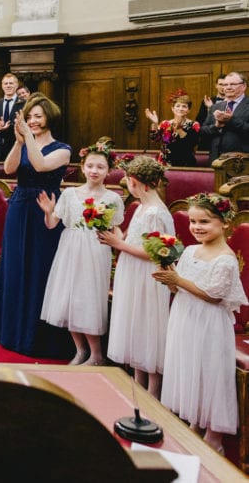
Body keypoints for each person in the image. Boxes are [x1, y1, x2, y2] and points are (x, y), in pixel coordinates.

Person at [153, 193, 248, 452]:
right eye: (193, 221)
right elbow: (181, 289)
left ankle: (214, 437)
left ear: (224, 223)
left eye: (204, 222)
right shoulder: (191, 250)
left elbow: (213, 295)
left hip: (209, 324)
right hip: (186, 317)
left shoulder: (225, 259)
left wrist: (177, 281)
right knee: (189, 369)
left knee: (210, 374)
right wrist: (170, 279)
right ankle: (194, 422)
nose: (196, 227)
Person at [0, 94, 72, 357]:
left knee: (40, 268)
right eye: (29, 117)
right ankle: (11, 332)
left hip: (45, 210)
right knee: (15, 266)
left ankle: (37, 338)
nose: (33, 121)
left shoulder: (63, 148)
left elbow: (40, 164)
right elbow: (8, 168)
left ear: (50, 117)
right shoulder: (25, 141)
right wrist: (18, 141)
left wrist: (29, 137)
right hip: (19, 207)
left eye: (38, 116)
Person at [38, 141, 124, 366]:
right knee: (70, 298)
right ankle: (80, 351)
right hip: (70, 246)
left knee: (89, 299)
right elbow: (52, 224)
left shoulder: (113, 198)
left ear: (108, 171)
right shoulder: (69, 193)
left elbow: (116, 229)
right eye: (90, 166)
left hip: (96, 249)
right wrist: (48, 212)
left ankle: (96, 355)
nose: (94, 171)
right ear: (83, 167)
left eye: (100, 167)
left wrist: (121, 244)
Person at [98, 156, 172, 398]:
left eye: (129, 181)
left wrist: (118, 243)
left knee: (147, 326)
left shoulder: (156, 213)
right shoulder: (142, 207)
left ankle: (152, 390)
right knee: (136, 326)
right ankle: (137, 383)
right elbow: (133, 239)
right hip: (132, 272)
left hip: (146, 276)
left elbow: (156, 255)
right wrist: (117, 232)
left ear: (138, 183)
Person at [201, 71, 249, 161]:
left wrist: (232, 120)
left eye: (233, 84)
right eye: (225, 85)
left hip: (242, 161)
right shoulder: (215, 107)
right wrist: (216, 126)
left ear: (243, 86)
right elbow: (203, 131)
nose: (228, 87)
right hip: (216, 159)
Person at [145, 91, 199, 166]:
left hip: (185, 164)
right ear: (172, 109)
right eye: (178, 106)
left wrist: (179, 129)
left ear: (188, 110)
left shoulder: (194, 125)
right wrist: (154, 123)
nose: (180, 108)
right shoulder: (165, 124)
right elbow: (154, 139)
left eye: (184, 106)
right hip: (164, 163)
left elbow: (192, 143)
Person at [0, 73, 24, 158]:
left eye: (11, 83)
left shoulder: (24, 104)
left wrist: (9, 127)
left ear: (16, 85)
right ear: (2, 86)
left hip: (18, 145)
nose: (8, 86)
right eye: (6, 83)